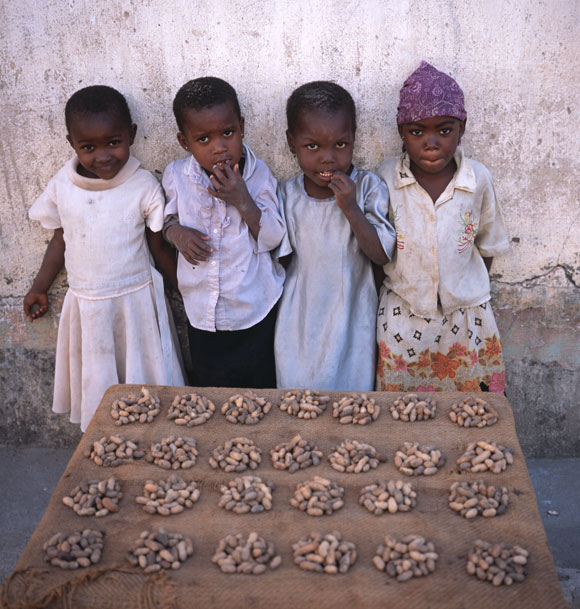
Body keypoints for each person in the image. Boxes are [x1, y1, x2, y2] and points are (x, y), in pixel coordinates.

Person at [24, 85, 185, 431]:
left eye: (113, 142)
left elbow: (159, 247)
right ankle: (106, 441)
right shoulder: (62, 186)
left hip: (136, 303)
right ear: (72, 144)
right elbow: (60, 240)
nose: (103, 155)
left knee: (146, 385)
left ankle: (150, 440)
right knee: (99, 384)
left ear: (131, 135)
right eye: (88, 147)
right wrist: (40, 286)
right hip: (89, 306)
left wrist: (185, 288)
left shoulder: (143, 185)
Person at [375, 61, 510, 393]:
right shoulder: (386, 178)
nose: (431, 142)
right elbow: (376, 249)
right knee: (404, 412)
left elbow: (486, 246)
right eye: (417, 132)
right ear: (400, 132)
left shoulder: (477, 179)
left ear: (462, 128)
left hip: (467, 319)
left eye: (444, 130)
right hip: (403, 317)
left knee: (473, 407)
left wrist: (459, 287)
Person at [163, 77, 285, 388]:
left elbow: (273, 239)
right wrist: (176, 233)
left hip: (254, 309)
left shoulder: (259, 176)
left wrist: (243, 201)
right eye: (203, 139)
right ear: (184, 142)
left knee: (260, 390)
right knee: (212, 390)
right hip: (203, 313)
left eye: (228, 133)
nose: (219, 148)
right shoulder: (178, 176)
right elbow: (165, 221)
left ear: (241, 127)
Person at [274, 81, 396, 391]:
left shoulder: (368, 187)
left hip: (353, 315)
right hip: (299, 319)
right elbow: (282, 259)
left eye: (340, 145)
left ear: (354, 138)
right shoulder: (287, 194)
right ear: (292, 142)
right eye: (312, 146)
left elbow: (382, 254)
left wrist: (351, 209)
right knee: (299, 396)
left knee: (351, 400)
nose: (328, 158)